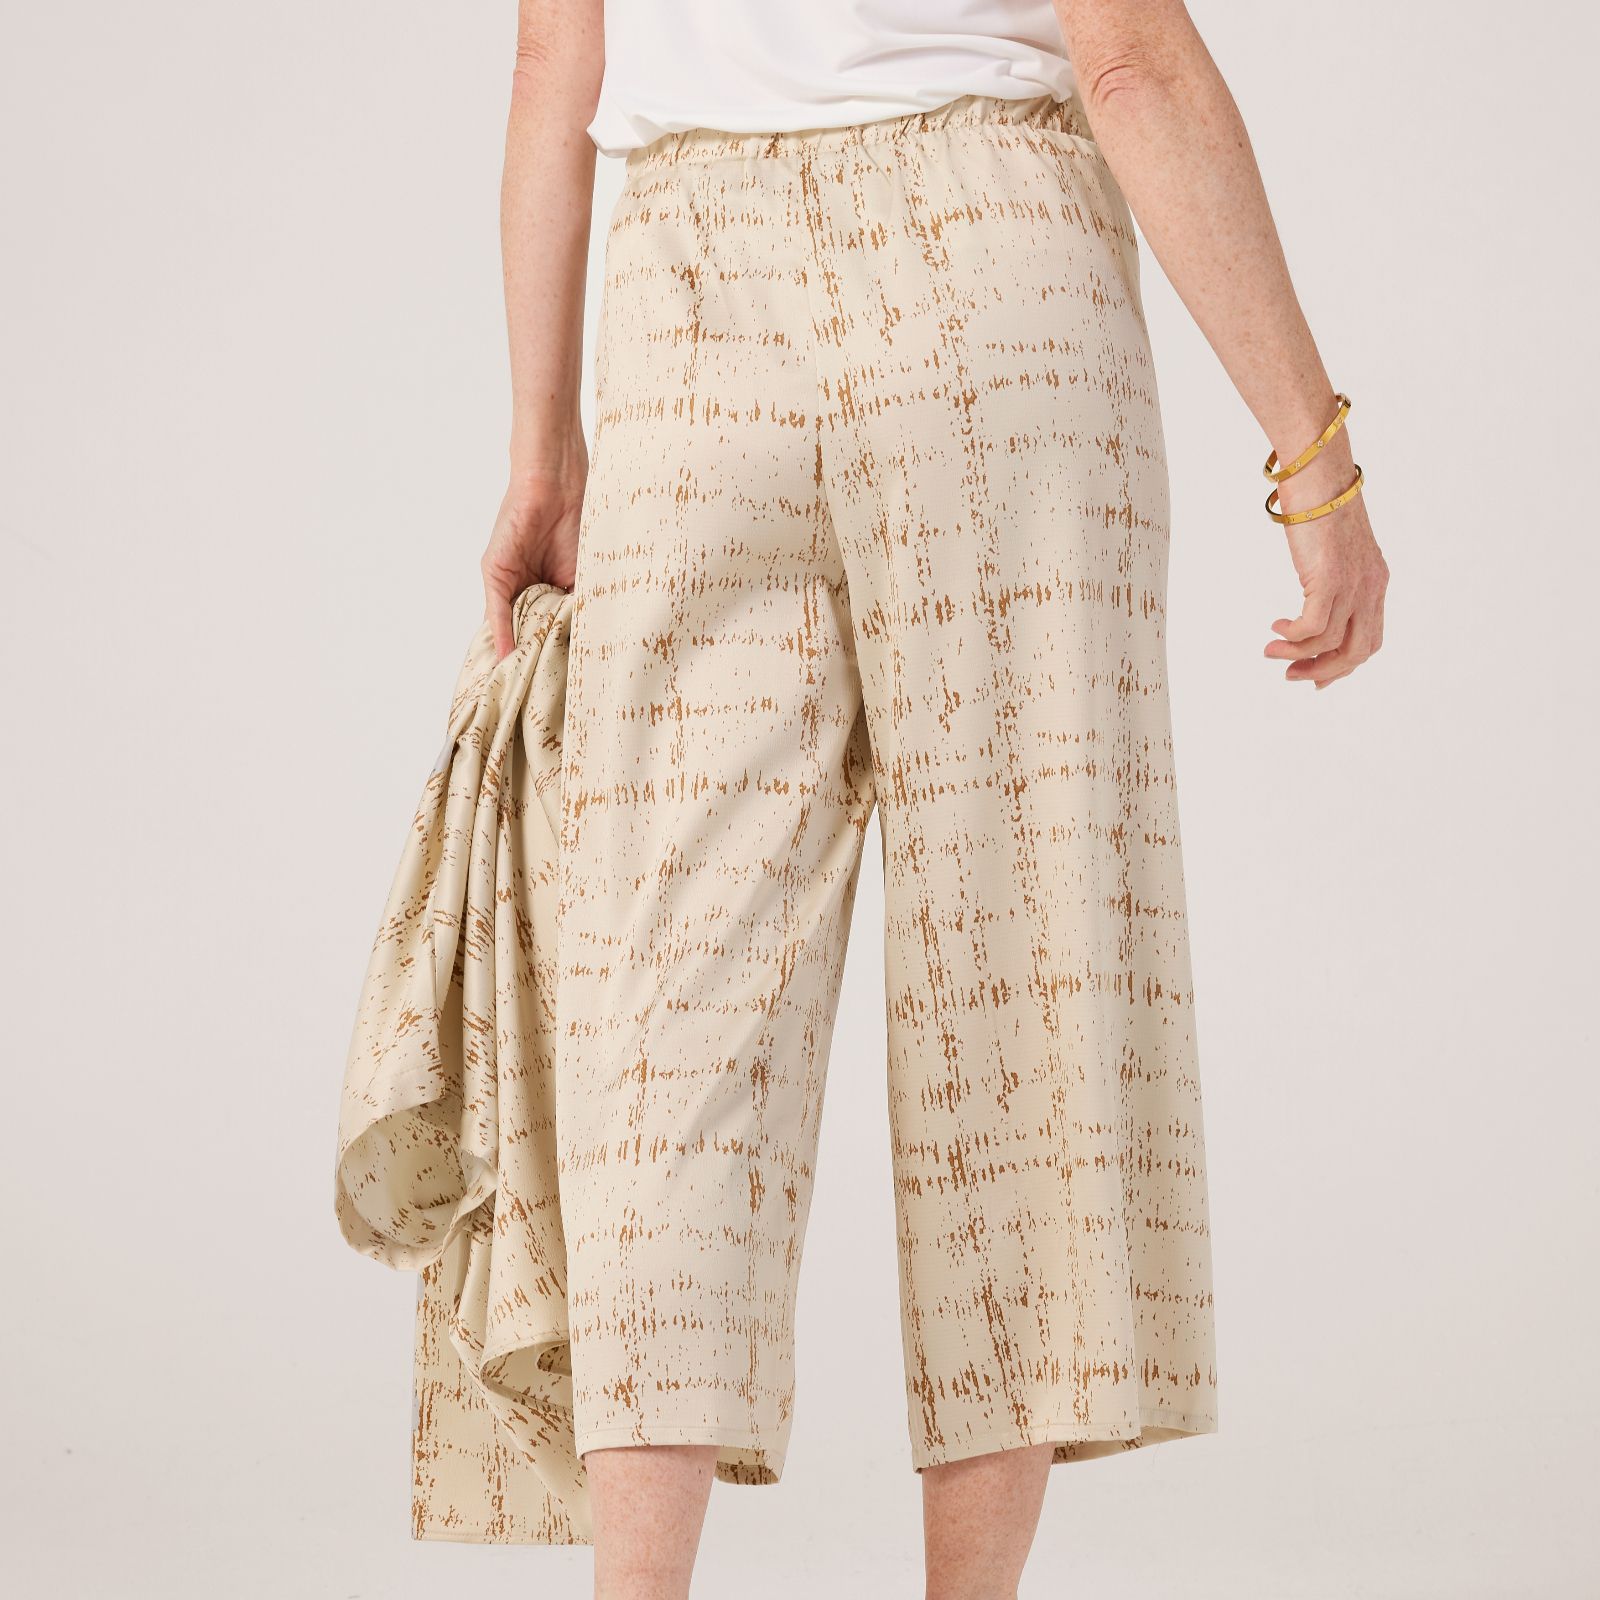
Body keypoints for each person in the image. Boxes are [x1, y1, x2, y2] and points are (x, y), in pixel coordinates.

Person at [479, 2, 1389, 1595]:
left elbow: (558, 60)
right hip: (996, 283)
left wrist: (546, 454)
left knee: (668, 1014)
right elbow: (1129, 61)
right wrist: (1313, 455)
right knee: (1018, 983)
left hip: (687, 310)